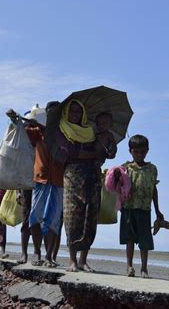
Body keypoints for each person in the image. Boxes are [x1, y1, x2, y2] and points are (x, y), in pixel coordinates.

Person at [7, 101, 65, 267]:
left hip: (58, 181)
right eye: (50, 113)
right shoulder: (37, 132)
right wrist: (15, 119)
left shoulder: (66, 134)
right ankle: (37, 252)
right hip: (40, 178)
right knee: (34, 217)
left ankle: (48, 256)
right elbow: (21, 133)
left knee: (53, 220)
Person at [53, 100, 101, 272]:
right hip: (72, 174)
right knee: (72, 216)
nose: (75, 115)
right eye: (72, 111)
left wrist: (101, 152)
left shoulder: (91, 131)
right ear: (66, 113)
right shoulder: (61, 129)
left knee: (90, 215)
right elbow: (71, 152)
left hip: (92, 175)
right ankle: (72, 259)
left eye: (78, 112)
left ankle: (83, 260)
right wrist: (94, 154)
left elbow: (103, 153)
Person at [113, 135, 165, 278]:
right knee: (129, 238)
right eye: (136, 152)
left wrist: (157, 210)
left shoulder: (152, 169)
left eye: (142, 152)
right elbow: (116, 185)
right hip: (128, 207)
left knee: (144, 240)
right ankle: (129, 266)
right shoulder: (125, 168)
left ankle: (144, 268)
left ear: (147, 150)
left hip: (144, 209)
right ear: (130, 151)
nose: (140, 155)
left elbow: (153, 190)